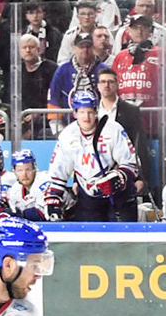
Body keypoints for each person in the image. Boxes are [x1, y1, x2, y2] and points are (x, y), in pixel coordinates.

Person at [46, 92, 139, 221]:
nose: (86, 117)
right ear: (75, 113)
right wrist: (53, 198)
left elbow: (132, 164)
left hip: (119, 199)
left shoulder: (113, 129)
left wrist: (117, 179)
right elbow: (58, 172)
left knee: (124, 239)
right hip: (88, 201)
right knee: (90, 239)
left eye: (90, 111)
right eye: (82, 112)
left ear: (96, 111)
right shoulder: (67, 135)